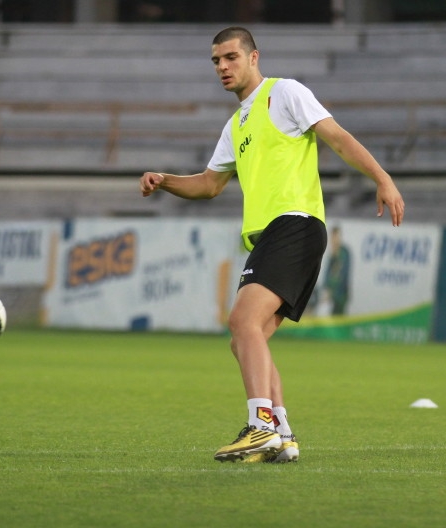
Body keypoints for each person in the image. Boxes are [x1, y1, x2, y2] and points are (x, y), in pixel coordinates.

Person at [139, 26, 404, 463]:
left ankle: (260, 426)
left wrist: (383, 178)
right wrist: (165, 180)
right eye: (216, 61)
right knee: (246, 338)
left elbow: (337, 137)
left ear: (253, 57)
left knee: (242, 322)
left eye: (230, 57)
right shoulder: (235, 124)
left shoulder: (284, 93)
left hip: (295, 223)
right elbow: (208, 185)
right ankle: (281, 434)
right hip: (276, 235)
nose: (222, 67)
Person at [324, 226, 351, 315]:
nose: (334, 240)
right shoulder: (331, 254)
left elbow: (343, 275)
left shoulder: (344, 253)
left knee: (338, 315)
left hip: (340, 294)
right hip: (330, 295)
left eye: (336, 237)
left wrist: (333, 292)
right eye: (333, 237)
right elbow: (327, 274)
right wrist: (326, 289)